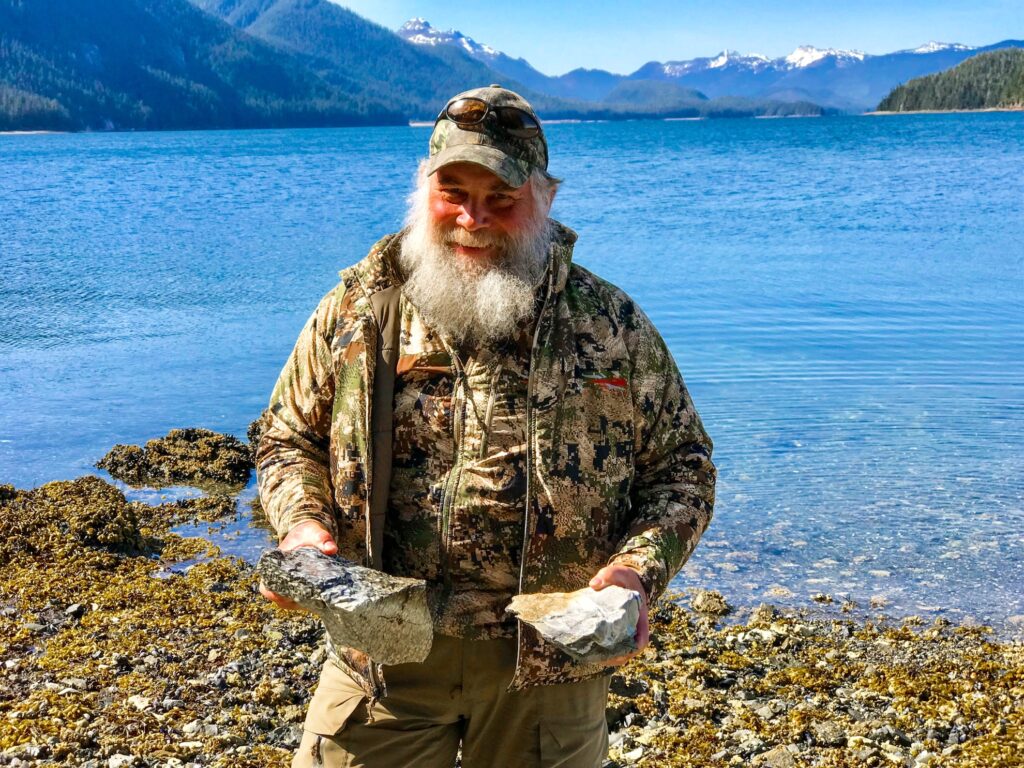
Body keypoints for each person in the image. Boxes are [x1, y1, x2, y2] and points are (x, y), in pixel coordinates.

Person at [256, 84, 716, 768]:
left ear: (546, 198)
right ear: (423, 188)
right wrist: (302, 526)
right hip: (378, 655)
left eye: (501, 198)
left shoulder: (610, 325)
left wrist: (634, 574)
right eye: (453, 192)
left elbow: (684, 468)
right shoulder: (358, 307)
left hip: (548, 667)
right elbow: (285, 439)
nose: (472, 217)